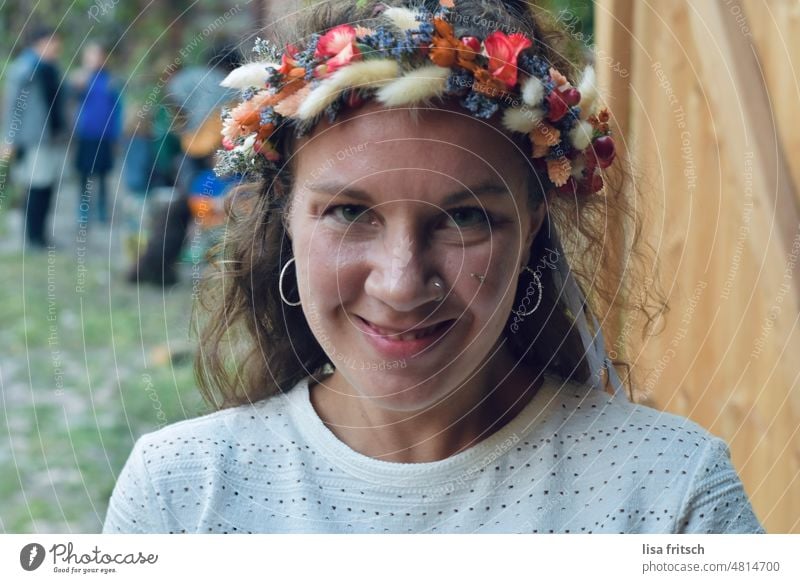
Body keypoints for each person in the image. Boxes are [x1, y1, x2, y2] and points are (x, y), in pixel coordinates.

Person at [103, 0, 764, 534]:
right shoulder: (179, 495)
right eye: (347, 211)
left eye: (466, 217)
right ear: (284, 212)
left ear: (533, 224)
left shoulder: (674, 496)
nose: (399, 281)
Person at [2, 26, 65, 249]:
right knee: (36, 187)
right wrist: (8, 139)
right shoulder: (23, 69)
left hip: (52, 139)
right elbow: (12, 108)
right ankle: (33, 238)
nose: (57, 48)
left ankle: (42, 236)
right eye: (53, 43)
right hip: (33, 139)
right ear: (40, 43)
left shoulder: (51, 68)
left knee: (47, 187)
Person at [71, 42, 122, 227]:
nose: (95, 60)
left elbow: (117, 109)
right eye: (91, 56)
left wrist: (116, 135)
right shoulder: (80, 78)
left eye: (99, 56)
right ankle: (83, 211)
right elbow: (70, 98)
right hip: (85, 134)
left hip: (105, 135)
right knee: (84, 174)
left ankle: (102, 211)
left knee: (102, 174)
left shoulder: (110, 80)